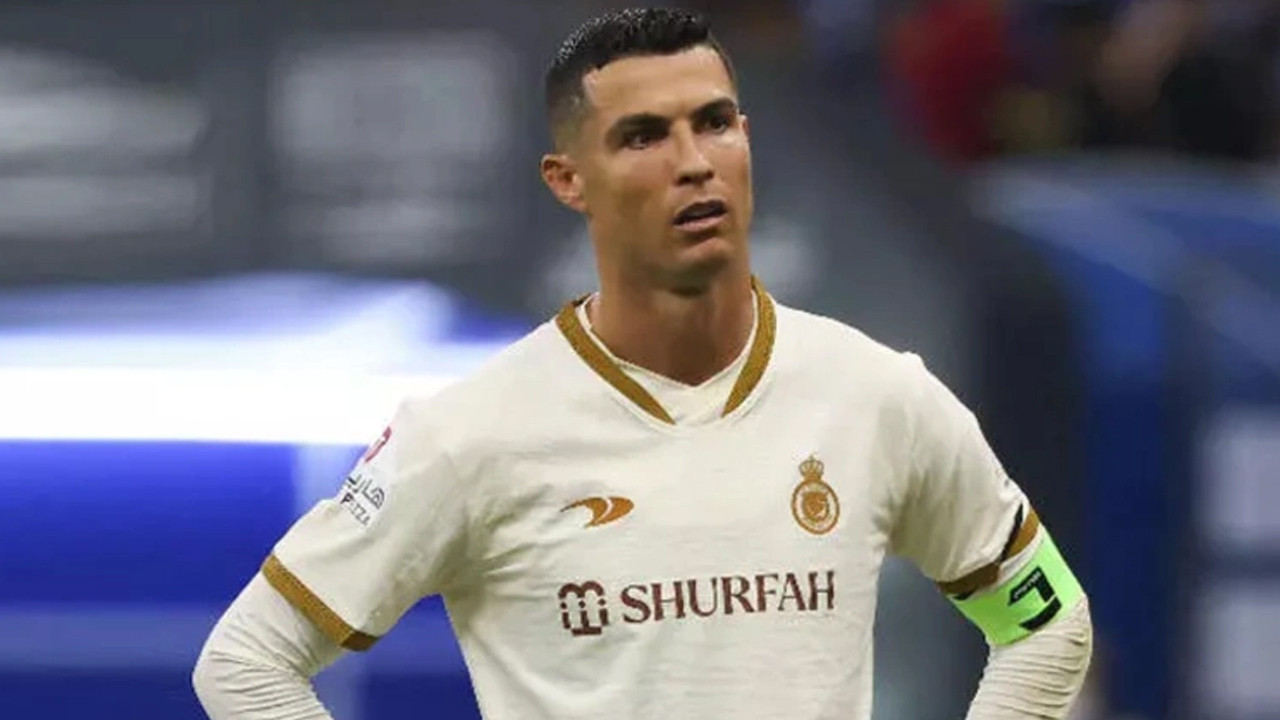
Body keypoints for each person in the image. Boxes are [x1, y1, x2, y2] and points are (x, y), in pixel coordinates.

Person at [193, 8, 1093, 719]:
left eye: (715, 124)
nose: (693, 163)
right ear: (568, 180)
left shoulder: (877, 395)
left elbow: (1047, 625)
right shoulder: (473, 432)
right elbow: (246, 662)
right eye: (643, 136)